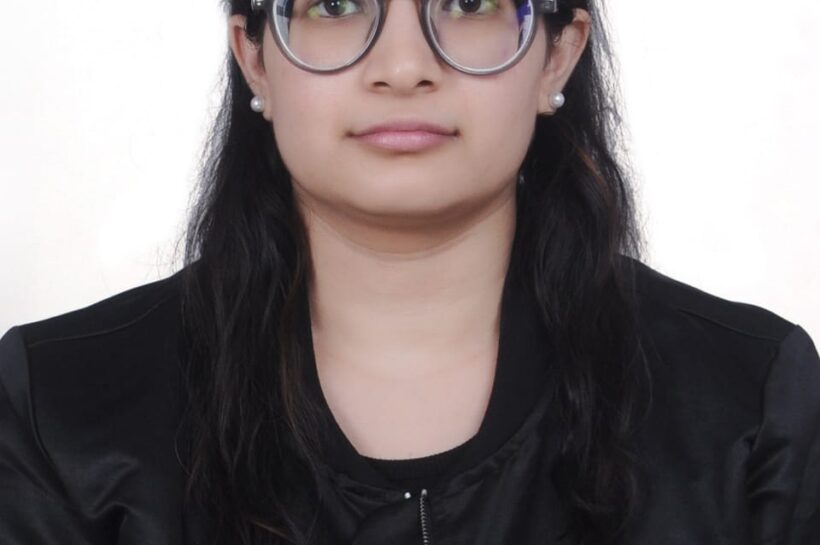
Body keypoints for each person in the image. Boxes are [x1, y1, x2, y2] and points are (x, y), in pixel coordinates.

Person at [1, 0, 818, 543]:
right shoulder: (62, 411)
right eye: (333, 5)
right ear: (254, 59)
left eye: (466, 3)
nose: (401, 67)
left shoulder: (747, 403)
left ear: (557, 57)